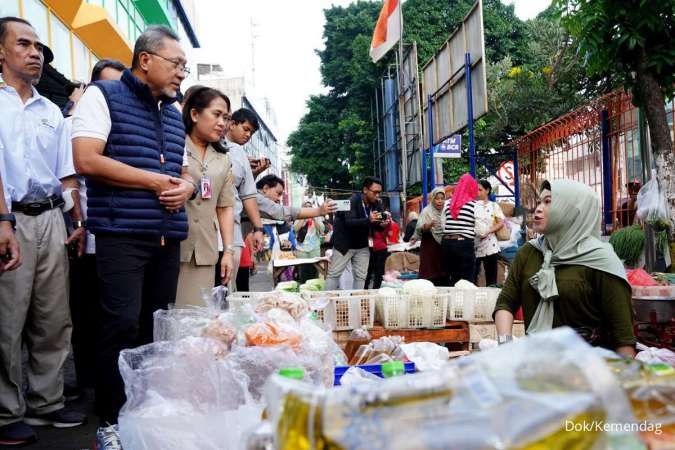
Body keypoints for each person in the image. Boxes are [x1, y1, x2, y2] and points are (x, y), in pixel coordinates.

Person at [72, 25, 195, 424]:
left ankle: (147, 413)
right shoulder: (103, 96)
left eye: (185, 67)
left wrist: (187, 188)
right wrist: (154, 181)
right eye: (176, 64)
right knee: (121, 326)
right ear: (145, 60)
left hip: (166, 236)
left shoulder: (174, 115)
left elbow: (185, 171)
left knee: (156, 328)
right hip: (121, 233)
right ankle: (112, 417)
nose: (181, 73)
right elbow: (86, 160)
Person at [0, 17, 87, 444]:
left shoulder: (51, 110)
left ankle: (46, 402)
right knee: (7, 319)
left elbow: (65, 174)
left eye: (39, 47)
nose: (35, 53)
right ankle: (4, 411)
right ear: (1, 52)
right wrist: (2, 221)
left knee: (54, 317)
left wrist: (76, 220)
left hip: (53, 218)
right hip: (8, 219)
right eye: (24, 44)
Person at [494, 180, 636, 357]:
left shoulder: (602, 261)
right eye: (540, 201)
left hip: (589, 373)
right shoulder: (529, 253)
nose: (538, 208)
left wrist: (627, 379)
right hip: (538, 367)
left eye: (548, 202)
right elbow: (506, 302)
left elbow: (622, 336)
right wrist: (504, 348)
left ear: (573, 211)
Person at [66, 58, 124, 400]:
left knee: (116, 316)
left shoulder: (128, 125)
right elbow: (70, 177)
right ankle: (87, 381)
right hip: (87, 232)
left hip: (122, 235)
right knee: (86, 312)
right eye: (108, 87)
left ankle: (112, 381)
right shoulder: (76, 123)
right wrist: (78, 222)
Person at [175, 86, 235, 307]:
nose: (222, 123)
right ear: (194, 114)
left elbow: (225, 206)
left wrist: (228, 251)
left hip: (205, 251)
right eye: (217, 114)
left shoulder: (222, 159)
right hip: (173, 246)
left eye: (226, 118)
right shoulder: (175, 145)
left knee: (198, 319)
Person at [219, 108, 265, 292]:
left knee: (229, 292)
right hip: (205, 232)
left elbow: (248, 195)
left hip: (233, 230)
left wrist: (258, 228)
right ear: (232, 123)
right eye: (245, 129)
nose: (248, 135)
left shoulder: (239, 153)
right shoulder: (201, 144)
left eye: (251, 133)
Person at [325, 176, 384, 290]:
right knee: (334, 274)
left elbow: (377, 225)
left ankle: (357, 305)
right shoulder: (352, 201)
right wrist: (369, 220)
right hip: (344, 244)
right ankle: (324, 305)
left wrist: (383, 224)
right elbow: (349, 223)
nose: (377, 195)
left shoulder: (377, 204)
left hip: (362, 244)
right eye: (375, 192)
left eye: (379, 193)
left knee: (361, 277)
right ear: (365, 190)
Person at [441, 174, 479, 286]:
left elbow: (443, 225)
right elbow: (480, 229)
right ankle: (465, 303)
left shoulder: (448, 204)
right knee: (466, 279)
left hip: (447, 243)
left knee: (451, 277)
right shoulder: (474, 205)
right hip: (464, 244)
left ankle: (452, 302)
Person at [411, 187, 447, 285]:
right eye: (437, 198)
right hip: (429, 246)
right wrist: (429, 225)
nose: (440, 201)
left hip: (443, 247)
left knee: (443, 274)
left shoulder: (447, 211)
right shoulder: (426, 211)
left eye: (442, 198)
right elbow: (420, 227)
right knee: (429, 274)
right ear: (433, 199)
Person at [474, 179, 505, 286]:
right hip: (475, 245)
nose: (477, 192)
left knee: (491, 279)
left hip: (491, 246)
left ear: (487, 190)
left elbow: (501, 222)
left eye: (480, 190)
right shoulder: (472, 205)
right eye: (476, 190)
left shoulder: (493, 206)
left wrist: (488, 231)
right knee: (473, 277)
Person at [294, 201, 326, 282]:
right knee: (303, 272)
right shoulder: (298, 217)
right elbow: (295, 229)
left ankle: (314, 292)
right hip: (301, 250)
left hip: (314, 249)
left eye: (310, 206)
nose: (308, 208)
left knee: (314, 272)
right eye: (306, 206)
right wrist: (304, 217)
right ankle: (303, 288)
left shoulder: (317, 216)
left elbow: (322, 230)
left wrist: (314, 217)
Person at [364, 212, 392, 289]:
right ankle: (376, 289)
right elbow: (390, 234)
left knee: (368, 271)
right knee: (379, 272)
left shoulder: (370, 223)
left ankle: (365, 288)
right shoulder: (386, 223)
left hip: (370, 248)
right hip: (381, 248)